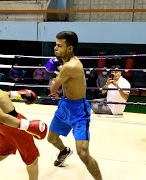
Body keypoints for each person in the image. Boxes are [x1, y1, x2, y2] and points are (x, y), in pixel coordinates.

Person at [45, 31, 102, 180]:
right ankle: (64, 151)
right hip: (65, 105)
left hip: (79, 111)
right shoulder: (65, 63)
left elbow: (52, 89)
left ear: (70, 48)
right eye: (55, 45)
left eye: (59, 45)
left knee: (83, 153)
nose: (55, 48)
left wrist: (50, 74)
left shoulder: (70, 66)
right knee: (51, 138)